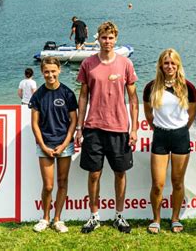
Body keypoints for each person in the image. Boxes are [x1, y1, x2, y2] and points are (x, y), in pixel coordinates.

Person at [75, 21, 138, 234]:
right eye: (103, 37)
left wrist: (135, 128)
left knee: (120, 173)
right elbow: (83, 96)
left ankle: (119, 216)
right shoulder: (88, 64)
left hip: (119, 127)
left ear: (116, 39)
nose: (107, 41)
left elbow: (134, 98)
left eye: (110, 38)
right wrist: (79, 127)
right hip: (93, 127)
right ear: (98, 39)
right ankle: (94, 216)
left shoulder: (125, 64)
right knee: (94, 174)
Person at [143, 49, 196, 234]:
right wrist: (159, 128)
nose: (170, 66)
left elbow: (191, 115)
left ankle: (175, 218)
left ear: (178, 65)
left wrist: (180, 129)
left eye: (173, 63)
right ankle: (156, 219)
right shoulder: (151, 87)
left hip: (180, 136)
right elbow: (149, 114)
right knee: (157, 184)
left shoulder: (188, 87)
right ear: (160, 65)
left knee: (177, 182)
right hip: (160, 137)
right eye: (166, 63)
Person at [29, 56, 78, 233]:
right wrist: (42, 145)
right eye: (46, 72)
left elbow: (74, 121)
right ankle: (45, 218)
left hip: (64, 145)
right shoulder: (38, 95)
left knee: (62, 182)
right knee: (48, 186)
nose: (50, 75)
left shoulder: (68, 93)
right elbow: (34, 123)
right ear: (42, 72)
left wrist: (65, 144)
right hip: (45, 145)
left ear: (59, 70)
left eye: (53, 71)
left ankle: (57, 219)